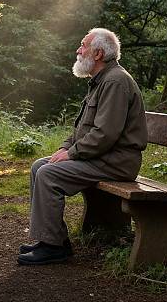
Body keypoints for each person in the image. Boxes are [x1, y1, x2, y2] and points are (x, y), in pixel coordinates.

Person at [17, 28, 148, 266]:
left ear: (98, 54)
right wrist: (65, 148)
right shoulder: (101, 81)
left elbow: (105, 134)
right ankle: (53, 239)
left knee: (48, 174)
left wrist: (73, 153)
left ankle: (53, 248)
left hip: (117, 161)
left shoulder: (115, 82)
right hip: (103, 157)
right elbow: (82, 130)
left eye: (83, 45)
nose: (78, 50)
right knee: (40, 166)